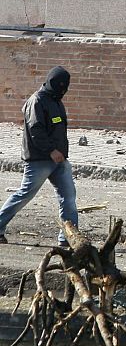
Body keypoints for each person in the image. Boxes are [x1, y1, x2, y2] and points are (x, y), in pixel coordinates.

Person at [0, 67, 77, 246]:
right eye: (60, 87)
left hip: (59, 160)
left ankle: (69, 237)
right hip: (40, 160)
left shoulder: (56, 100)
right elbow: (36, 131)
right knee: (25, 194)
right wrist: (51, 150)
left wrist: (61, 154)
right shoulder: (37, 101)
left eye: (65, 87)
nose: (63, 91)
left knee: (69, 197)